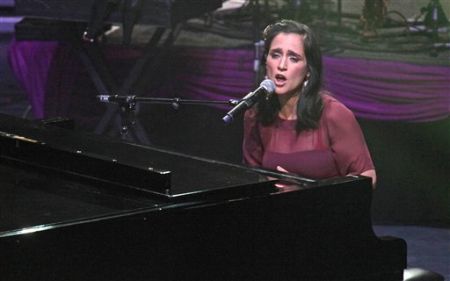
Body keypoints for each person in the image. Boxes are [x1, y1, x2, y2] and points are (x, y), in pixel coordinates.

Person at [242, 19, 377, 188]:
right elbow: (251, 178)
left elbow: (367, 178)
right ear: (266, 61)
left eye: (293, 58)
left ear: (308, 71)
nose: (281, 65)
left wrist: (307, 193)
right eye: (275, 54)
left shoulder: (333, 114)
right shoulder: (255, 115)